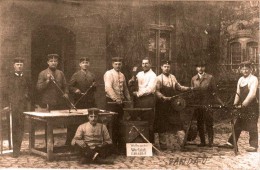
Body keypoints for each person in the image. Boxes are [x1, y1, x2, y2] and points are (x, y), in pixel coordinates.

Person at [155, 60, 192, 150]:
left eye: (168, 66)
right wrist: (163, 97)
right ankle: (163, 145)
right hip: (163, 105)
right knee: (162, 125)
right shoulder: (158, 78)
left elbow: (178, 87)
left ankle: (182, 145)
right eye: (165, 66)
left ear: (170, 67)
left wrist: (189, 88)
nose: (166, 68)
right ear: (161, 67)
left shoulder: (173, 77)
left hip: (172, 105)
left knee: (178, 123)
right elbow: (156, 91)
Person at [224, 61, 259, 152]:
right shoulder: (240, 80)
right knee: (238, 124)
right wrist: (235, 105)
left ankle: (254, 146)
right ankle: (231, 143)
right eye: (243, 69)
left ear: (251, 69)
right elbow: (237, 94)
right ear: (240, 70)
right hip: (242, 106)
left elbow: (252, 94)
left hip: (252, 107)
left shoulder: (254, 79)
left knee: (252, 125)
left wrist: (242, 105)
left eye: (247, 69)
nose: (245, 71)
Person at [191, 60, 224, 147]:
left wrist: (218, 102)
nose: (200, 68)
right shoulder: (193, 79)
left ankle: (210, 142)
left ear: (204, 68)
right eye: (198, 67)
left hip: (208, 103)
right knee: (199, 123)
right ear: (196, 68)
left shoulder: (210, 78)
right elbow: (192, 92)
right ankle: (202, 142)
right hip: (198, 104)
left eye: (202, 67)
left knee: (209, 122)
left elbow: (214, 92)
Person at [66, 57, 97, 145]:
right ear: (80, 64)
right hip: (79, 101)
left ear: (89, 64)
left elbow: (95, 89)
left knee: (89, 121)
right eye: (83, 62)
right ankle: (72, 142)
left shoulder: (92, 75)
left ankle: (88, 141)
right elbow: (70, 87)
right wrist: (76, 90)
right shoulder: (76, 75)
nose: (85, 64)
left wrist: (94, 86)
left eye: (87, 62)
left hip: (90, 101)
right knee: (77, 122)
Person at [3, 57, 30, 157]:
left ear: (23, 66)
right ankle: (15, 149)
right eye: (17, 64)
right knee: (14, 127)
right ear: (14, 66)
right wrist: (5, 105)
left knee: (21, 127)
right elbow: (4, 93)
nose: (19, 66)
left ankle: (18, 147)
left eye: (21, 64)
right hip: (12, 106)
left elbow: (30, 91)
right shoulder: (9, 78)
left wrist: (27, 97)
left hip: (22, 106)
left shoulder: (26, 78)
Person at [104, 57, 131, 149]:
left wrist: (129, 99)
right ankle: (111, 146)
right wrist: (115, 99)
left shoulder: (122, 75)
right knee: (112, 124)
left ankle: (119, 145)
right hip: (111, 102)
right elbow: (108, 88)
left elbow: (125, 88)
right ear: (112, 64)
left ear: (121, 65)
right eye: (116, 64)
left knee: (119, 123)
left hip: (121, 103)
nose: (118, 66)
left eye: (119, 64)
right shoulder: (109, 73)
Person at [129, 57, 157, 143]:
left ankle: (150, 143)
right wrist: (131, 82)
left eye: (146, 63)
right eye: (143, 63)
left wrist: (137, 94)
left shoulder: (153, 75)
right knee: (138, 119)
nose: (144, 65)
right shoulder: (139, 74)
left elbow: (150, 89)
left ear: (150, 64)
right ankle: (139, 141)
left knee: (148, 121)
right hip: (138, 101)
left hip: (148, 100)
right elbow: (134, 84)